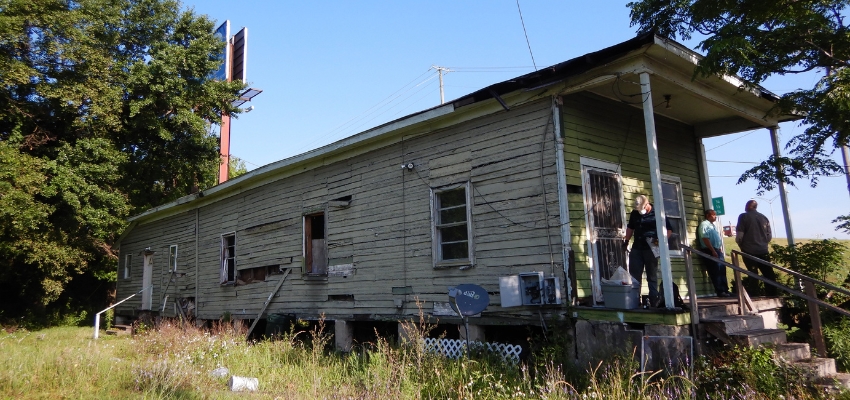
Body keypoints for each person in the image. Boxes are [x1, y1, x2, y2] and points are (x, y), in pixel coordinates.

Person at [623, 195, 674, 307]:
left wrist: (661, 242)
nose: (640, 211)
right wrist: (626, 241)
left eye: (642, 208)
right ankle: (635, 301)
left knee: (652, 275)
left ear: (647, 204)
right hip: (637, 246)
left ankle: (653, 300)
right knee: (634, 276)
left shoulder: (658, 212)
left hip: (653, 246)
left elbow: (669, 230)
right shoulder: (635, 213)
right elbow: (630, 228)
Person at [735, 200, 778, 296]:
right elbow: (769, 236)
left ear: (748, 206)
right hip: (763, 249)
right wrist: (763, 243)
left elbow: (739, 236)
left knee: (753, 272)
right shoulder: (764, 218)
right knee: (768, 273)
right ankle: (772, 293)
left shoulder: (743, 217)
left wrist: (741, 245)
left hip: (749, 250)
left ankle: (754, 294)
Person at [698, 209, 731, 297]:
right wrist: (712, 250)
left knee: (722, 269)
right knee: (715, 270)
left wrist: (719, 249)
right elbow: (705, 238)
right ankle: (720, 291)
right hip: (709, 250)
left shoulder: (713, 226)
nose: (715, 216)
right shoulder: (704, 224)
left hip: (717, 250)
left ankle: (725, 290)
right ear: (708, 216)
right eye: (713, 215)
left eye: (715, 215)